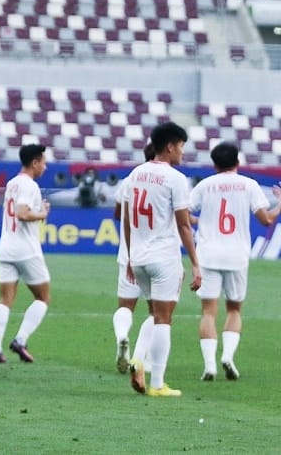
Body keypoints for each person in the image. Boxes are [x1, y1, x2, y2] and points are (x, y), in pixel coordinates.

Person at [189, 142, 281, 381]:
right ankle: (228, 356)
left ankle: (209, 364)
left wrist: (201, 223)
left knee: (209, 312)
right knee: (234, 308)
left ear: (215, 164)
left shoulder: (205, 185)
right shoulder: (249, 185)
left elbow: (183, 213)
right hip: (237, 255)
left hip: (208, 253)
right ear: (237, 162)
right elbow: (267, 220)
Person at [123, 121, 201, 397]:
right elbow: (183, 225)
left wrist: (131, 257)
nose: (182, 152)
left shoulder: (135, 174)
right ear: (170, 146)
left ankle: (138, 358)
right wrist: (195, 263)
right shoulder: (176, 179)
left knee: (155, 314)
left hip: (140, 257)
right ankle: (157, 384)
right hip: (164, 257)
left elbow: (127, 219)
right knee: (164, 319)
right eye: (181, 146)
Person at [0, 144, 51, 364]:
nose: (45, 166)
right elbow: (22, 213)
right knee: (43, 297)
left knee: (5, 299)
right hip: (26, 249)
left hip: (6, 247)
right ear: (34, 162)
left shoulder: (12, 183)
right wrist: (42, 213)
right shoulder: (29, 185)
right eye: (43, 162)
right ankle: (20, 340)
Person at [111, 144, 156, 374]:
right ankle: (142, 359)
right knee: (156, 310)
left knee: (126, 306)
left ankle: (122, 336)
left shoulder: (130, 179)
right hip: (157, 255)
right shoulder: (167, 179)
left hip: (129, 253)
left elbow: (118, 213)